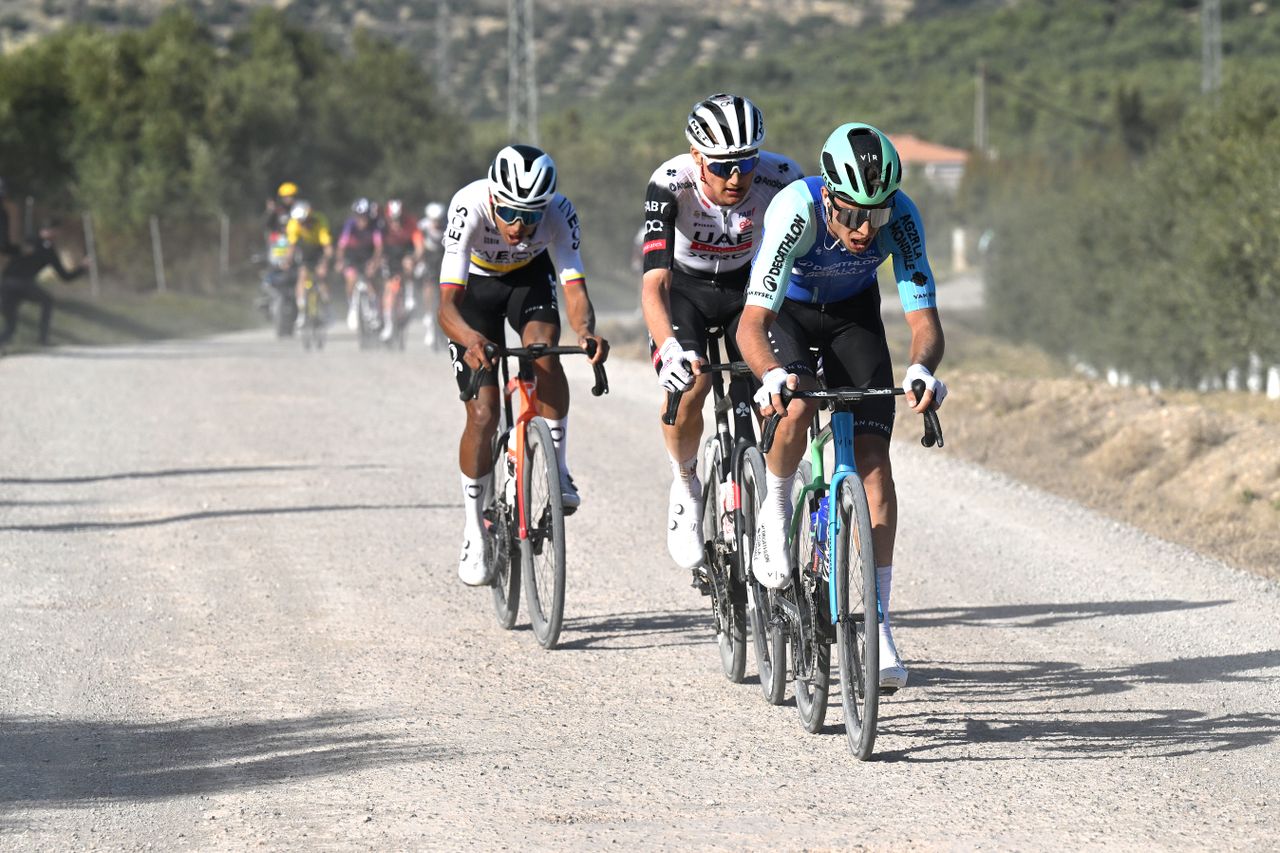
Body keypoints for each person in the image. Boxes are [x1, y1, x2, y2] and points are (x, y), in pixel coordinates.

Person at [735, 122, 947, 691]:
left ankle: (876, 626)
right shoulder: (794, 210)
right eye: (852, 214)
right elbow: (752, 323)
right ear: (828, 196)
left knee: (875, 464)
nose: (863, 230)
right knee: (799, 410)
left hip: (854, 318)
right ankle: (776, 513)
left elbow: (923, 318)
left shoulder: (900, 217)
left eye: (874, 216)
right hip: (788, 318)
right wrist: (772, 375)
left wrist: (923, 367)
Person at [640, 92, 803, 574]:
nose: (737, 177)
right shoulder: (669, 183)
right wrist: (669, 348)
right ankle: (686, 481)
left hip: (748, 291)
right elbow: (655, 284)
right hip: (684, 291)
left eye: (747, 163)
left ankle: (772, 501)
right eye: (722, 166)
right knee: (694, 382)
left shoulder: (781, 177)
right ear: (696, 157)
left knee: (781, 388)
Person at [437, 144, 609, 586]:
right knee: (483, 412)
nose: (520, 226)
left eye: (532, 215)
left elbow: (573, 285)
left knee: (544, 351)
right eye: (512, 213)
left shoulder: (560, 212)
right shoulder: (468, 206)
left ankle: (558, 465)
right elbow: (445, 306)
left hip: (528, 282)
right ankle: (475, 529)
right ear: (494, 199)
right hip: (474, 291)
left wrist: (586, 331)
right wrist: (471, 338)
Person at [0, 218, 88, 350]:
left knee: (11, 327)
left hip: (6, 284)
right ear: (51, 231)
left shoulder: (28, 241)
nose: (57, 235)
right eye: (56, 232)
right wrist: (83, 267)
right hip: (20, 284)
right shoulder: (47, 250)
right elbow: (66, 277)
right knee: (47, 301)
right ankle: (42, 339)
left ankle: (39, 340)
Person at [379, 199, 424, 342]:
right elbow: (377, 245)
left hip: (406, 252)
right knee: (389, 291)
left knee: (408, 263)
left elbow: (419, 246)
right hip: (389, 255)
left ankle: (410, 295)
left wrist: (415, 258)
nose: (396, 222)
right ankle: (388, 325)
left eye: (398, 219)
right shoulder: (382, 225)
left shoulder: (411, 223)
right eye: (393, 219)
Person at [337, 198, 384, 331]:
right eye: (359, 217)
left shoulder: (375, 225)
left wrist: (374, 262)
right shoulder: (350, 225)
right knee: (351, 279)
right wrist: (340, 261)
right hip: (353, 256)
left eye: (365, 217)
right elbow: (341, 245)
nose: (362, 220)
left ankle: (375, 308)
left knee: (371, 280)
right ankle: (352, 307)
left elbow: (379, 247)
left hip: (369, 256)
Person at [285, 201, 333, 318]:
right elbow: (292, 246)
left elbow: (327, 247)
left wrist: (325, 263)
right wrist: (287, 261)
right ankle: (301, 310)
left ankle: (327, 306)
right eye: (300, 222)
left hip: (318, 250)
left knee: (320, 277)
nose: (302, 224)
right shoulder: (293, 224)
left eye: (304, 221)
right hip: (304, 250)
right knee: (302, 276)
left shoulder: (320, 221)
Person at [418, 202, 446, 349]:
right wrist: (419, 262)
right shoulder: (422, 227)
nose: (436, 223)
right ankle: (429, 315)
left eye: (439, 219)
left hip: (443, 260)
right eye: (433, 220)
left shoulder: (449, 225)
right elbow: (418, 246)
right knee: (427, 286)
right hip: (428, 260)